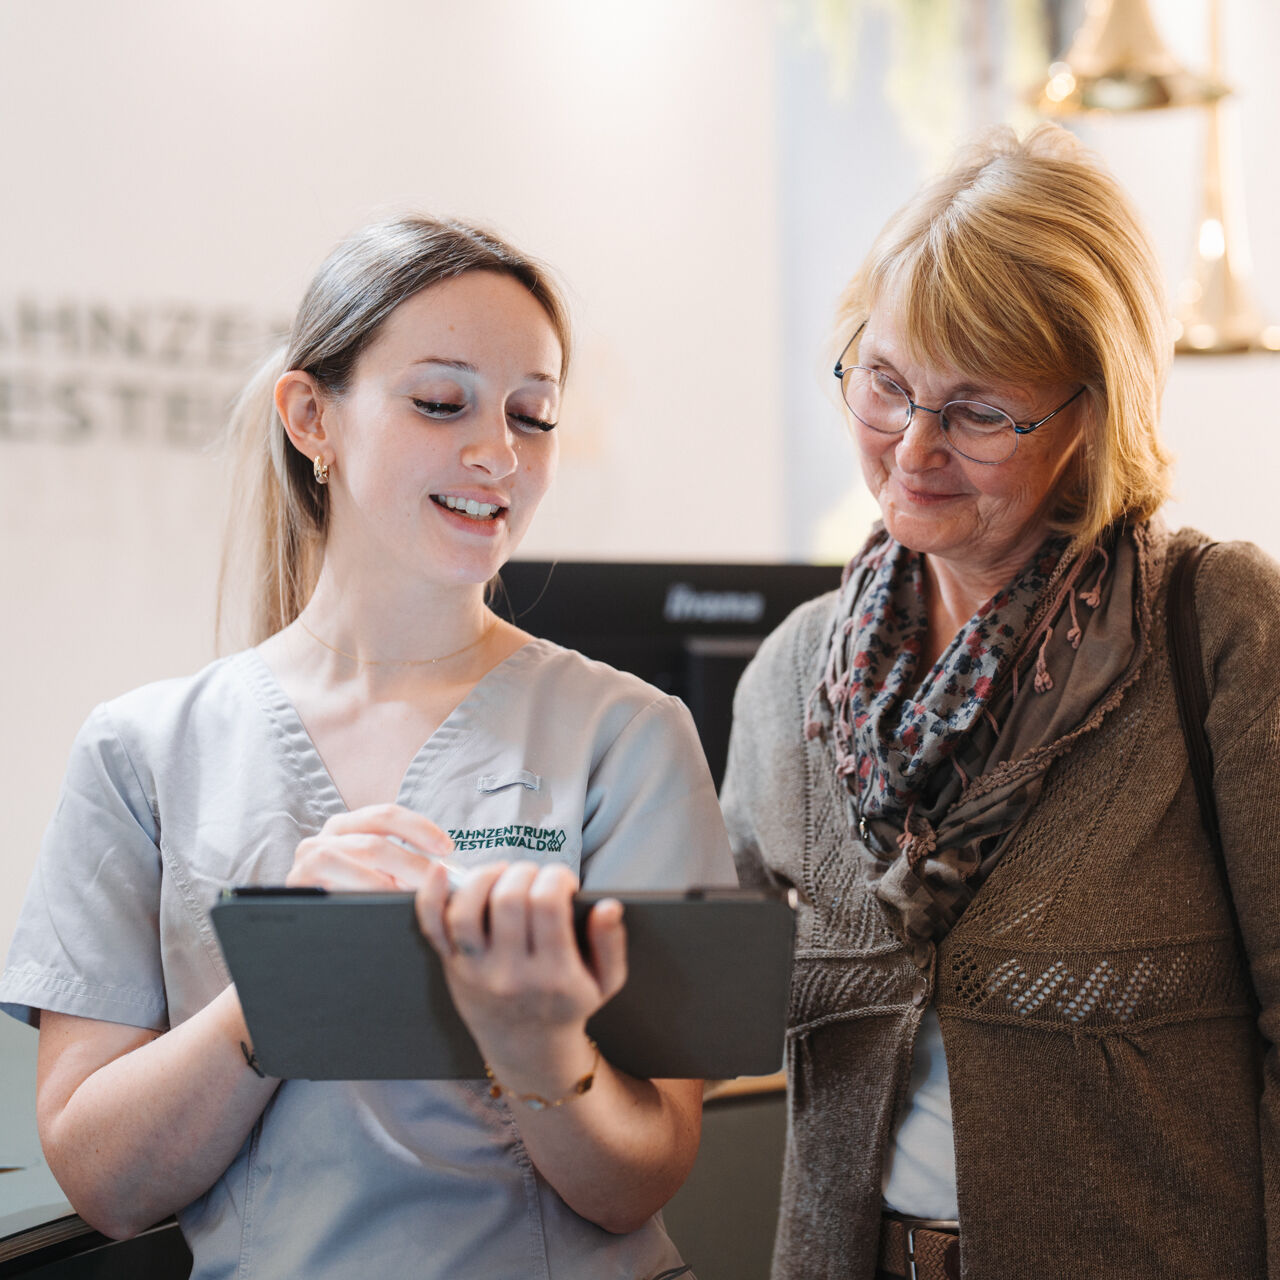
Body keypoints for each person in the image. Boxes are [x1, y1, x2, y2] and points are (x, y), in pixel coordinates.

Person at [1, 215, 735, 1279]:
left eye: (531, 415)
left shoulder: (629, 736)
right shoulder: (141, 752)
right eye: (441, 402)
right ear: (312, 417)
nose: (497, 453)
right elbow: (103, 1183)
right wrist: (283, 981)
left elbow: (640, 1174)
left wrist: (531, 1040)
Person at [720, 123, 1280, 1280]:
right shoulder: (792, 673)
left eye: (978, 411)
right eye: (884, 383)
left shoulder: (1217, 626)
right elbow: (706, 1006)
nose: (911, 447)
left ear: (1088, 413)